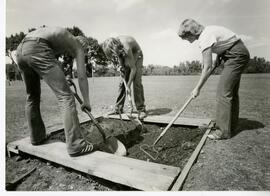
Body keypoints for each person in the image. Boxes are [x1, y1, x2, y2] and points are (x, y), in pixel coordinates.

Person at [16, 26, 99, 157]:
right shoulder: (77, 45)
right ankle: (76, 145)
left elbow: (51, 63)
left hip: (21, 50)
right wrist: (86, 101)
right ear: (82, 44)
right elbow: (82, 77)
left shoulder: (60, 38)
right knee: (66, 97)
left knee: (32, 96)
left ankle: (37, 137)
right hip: (36, 46)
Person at [178, 19, 250, 140]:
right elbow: (224, 43)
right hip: (233, 53)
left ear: (191, 32)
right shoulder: (208, 31)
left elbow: (207, 67)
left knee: (223, 93)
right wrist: (220, 55)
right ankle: (230, 125)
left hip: (236, 56)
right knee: (231, 92)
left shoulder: (205, 37)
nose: (187, 41)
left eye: (186, 37)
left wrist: (197, 88)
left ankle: (223, 131)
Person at [101, 36, 147, 120]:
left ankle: (141, 109)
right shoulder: (117, 47)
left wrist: (128, 85)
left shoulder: (126, 47)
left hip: (137, 54)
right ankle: (118, 109)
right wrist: (120, 66)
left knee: (136, 82)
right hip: (123, 53)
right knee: (122, 83)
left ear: (114, 48)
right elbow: (119, 56)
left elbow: (133, 69)